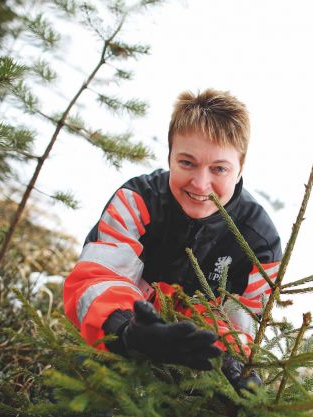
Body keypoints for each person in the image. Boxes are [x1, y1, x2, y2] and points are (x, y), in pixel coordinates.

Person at [63, 88, 282, 392]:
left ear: (240, 167)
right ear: (169, 157)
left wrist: (231, 364)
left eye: (219, 168)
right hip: (117, 349)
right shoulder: (137, 201)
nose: (201, 184)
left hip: (196, 375)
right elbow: (96, 279)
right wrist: (127, 330)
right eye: (187, 163)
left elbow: (245, 328)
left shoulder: (259, 244)